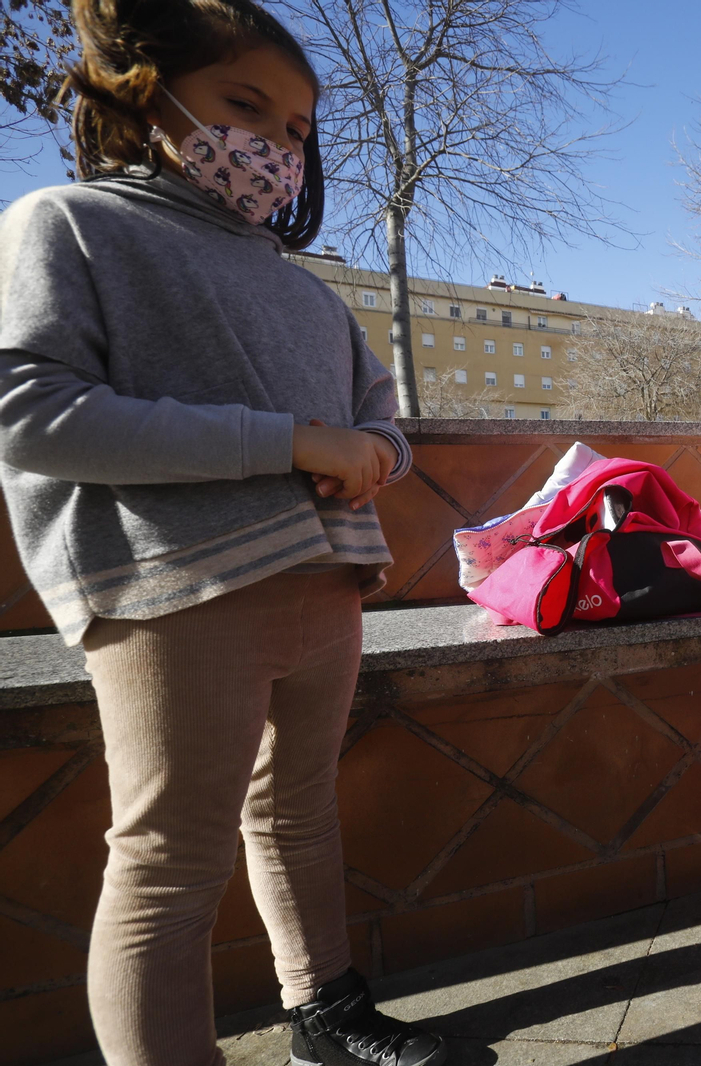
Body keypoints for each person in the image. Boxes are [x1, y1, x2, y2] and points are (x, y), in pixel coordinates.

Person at [0, 0, 447, 1062]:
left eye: (295, 129)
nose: (274, 146)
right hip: (174, 592)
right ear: (143, 95)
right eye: (244, 105)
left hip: (325, 584)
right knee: (168, 861)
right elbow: (32, 411)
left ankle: (326, 1013)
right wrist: (290, 442)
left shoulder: (304, 291)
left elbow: (380, 418)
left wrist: (374, 452)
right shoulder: (67, 222)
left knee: (299, 812)